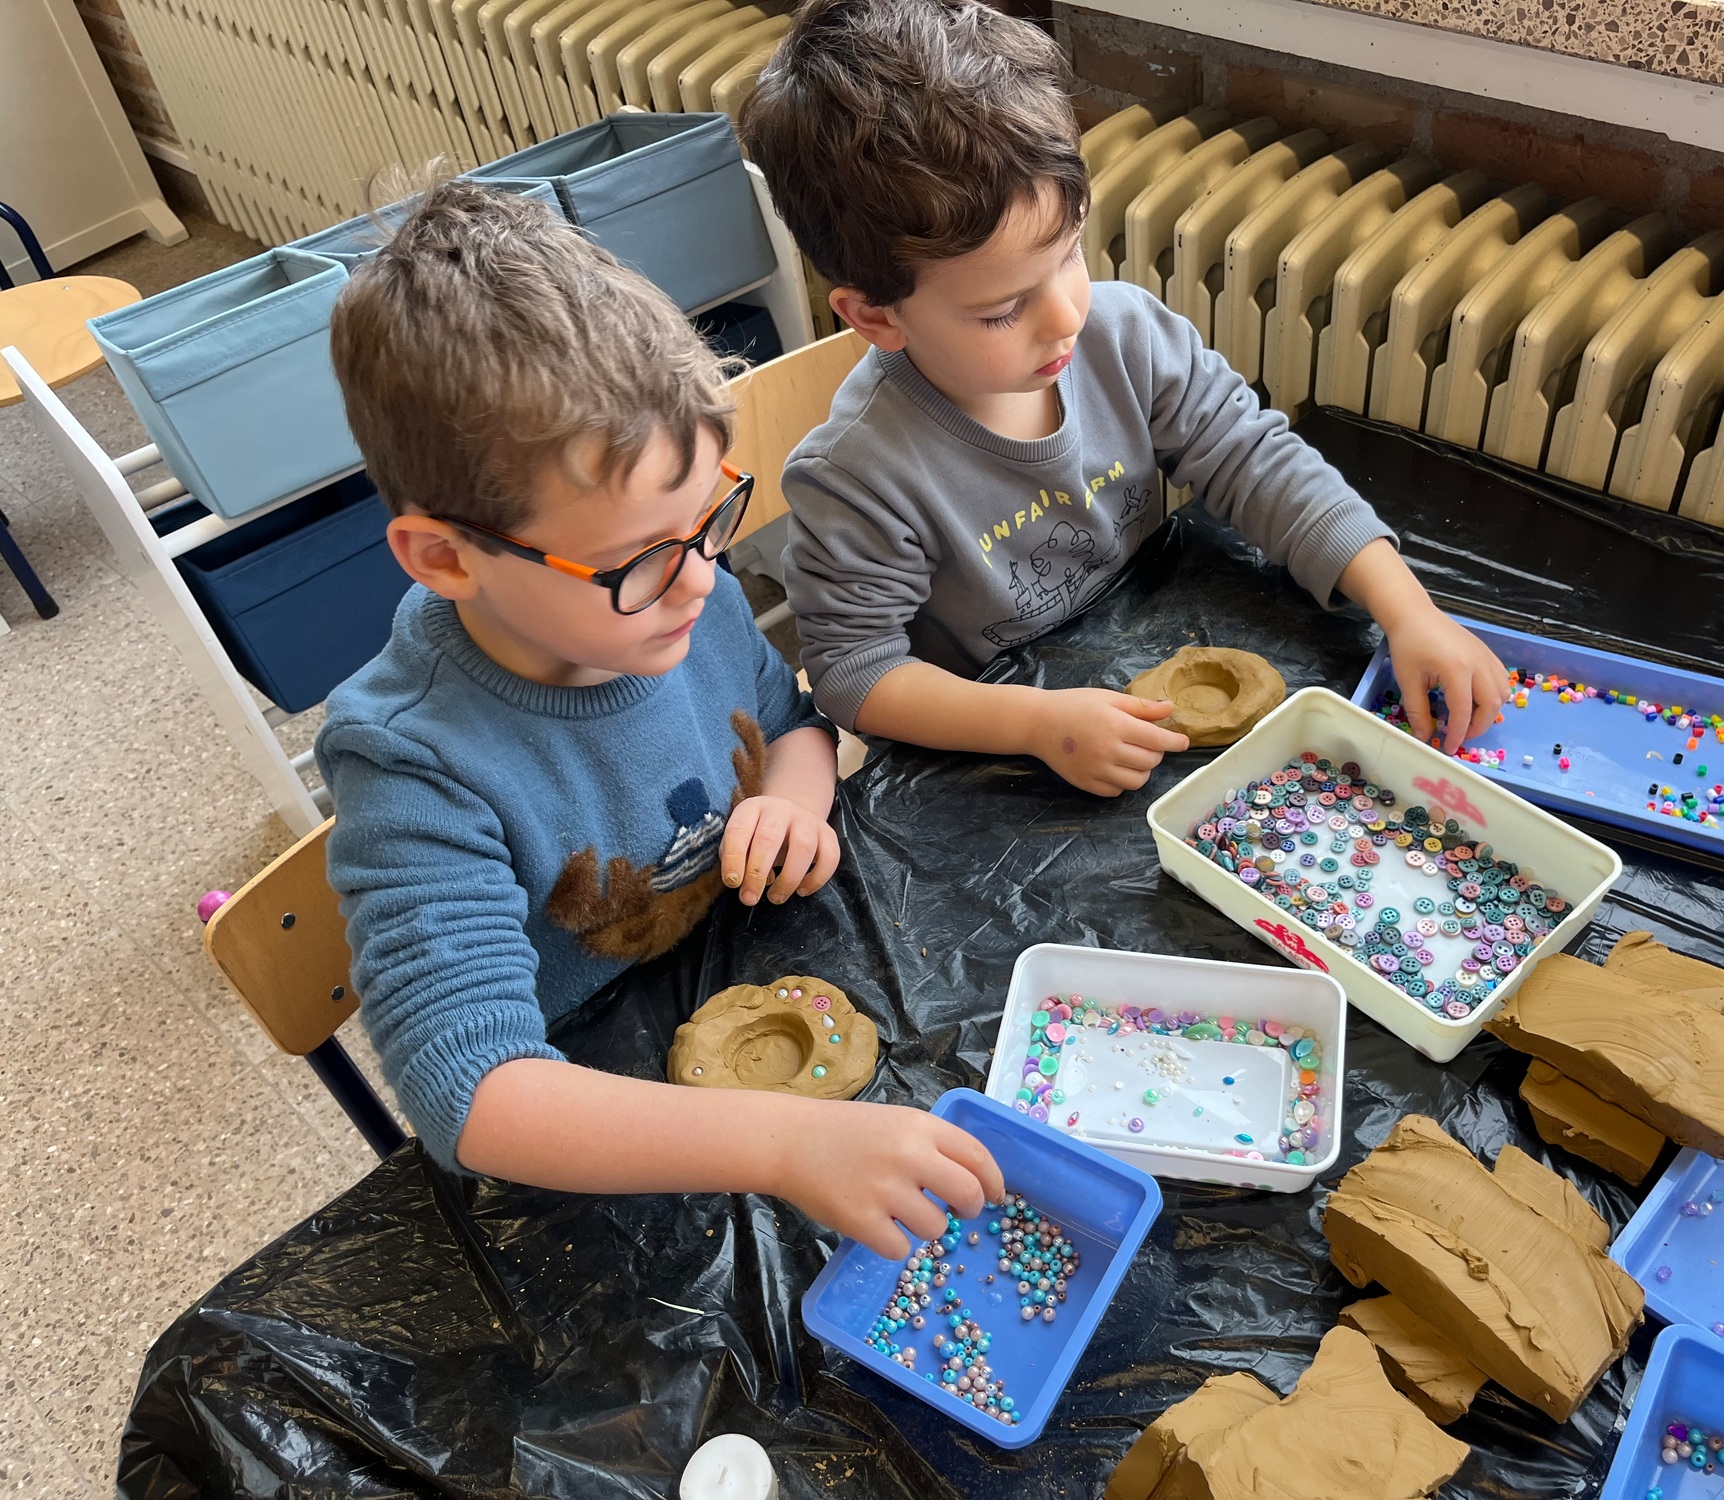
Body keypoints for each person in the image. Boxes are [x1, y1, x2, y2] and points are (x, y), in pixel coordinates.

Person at [316, 181, 1000, 1254]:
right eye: (637, 558)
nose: (700, 580)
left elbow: (792, 722)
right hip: (601, 1106)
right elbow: (473, 1095)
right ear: (444, 557)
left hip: (743, 969)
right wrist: (784, 1145)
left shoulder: (677, 593)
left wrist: (793, 798)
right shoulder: (410, 763)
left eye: (706, 520)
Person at [738, 0, 1508, 796]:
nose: (1067, 316)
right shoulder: (856, 475)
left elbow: (1254, 460)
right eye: (1003, 309)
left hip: (1140, 635)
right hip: (999, 751)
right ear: (876, 317)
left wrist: (1406, 610)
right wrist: (1033, 724)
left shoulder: (1126, 336)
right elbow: (855, 674)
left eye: (1070, 254)